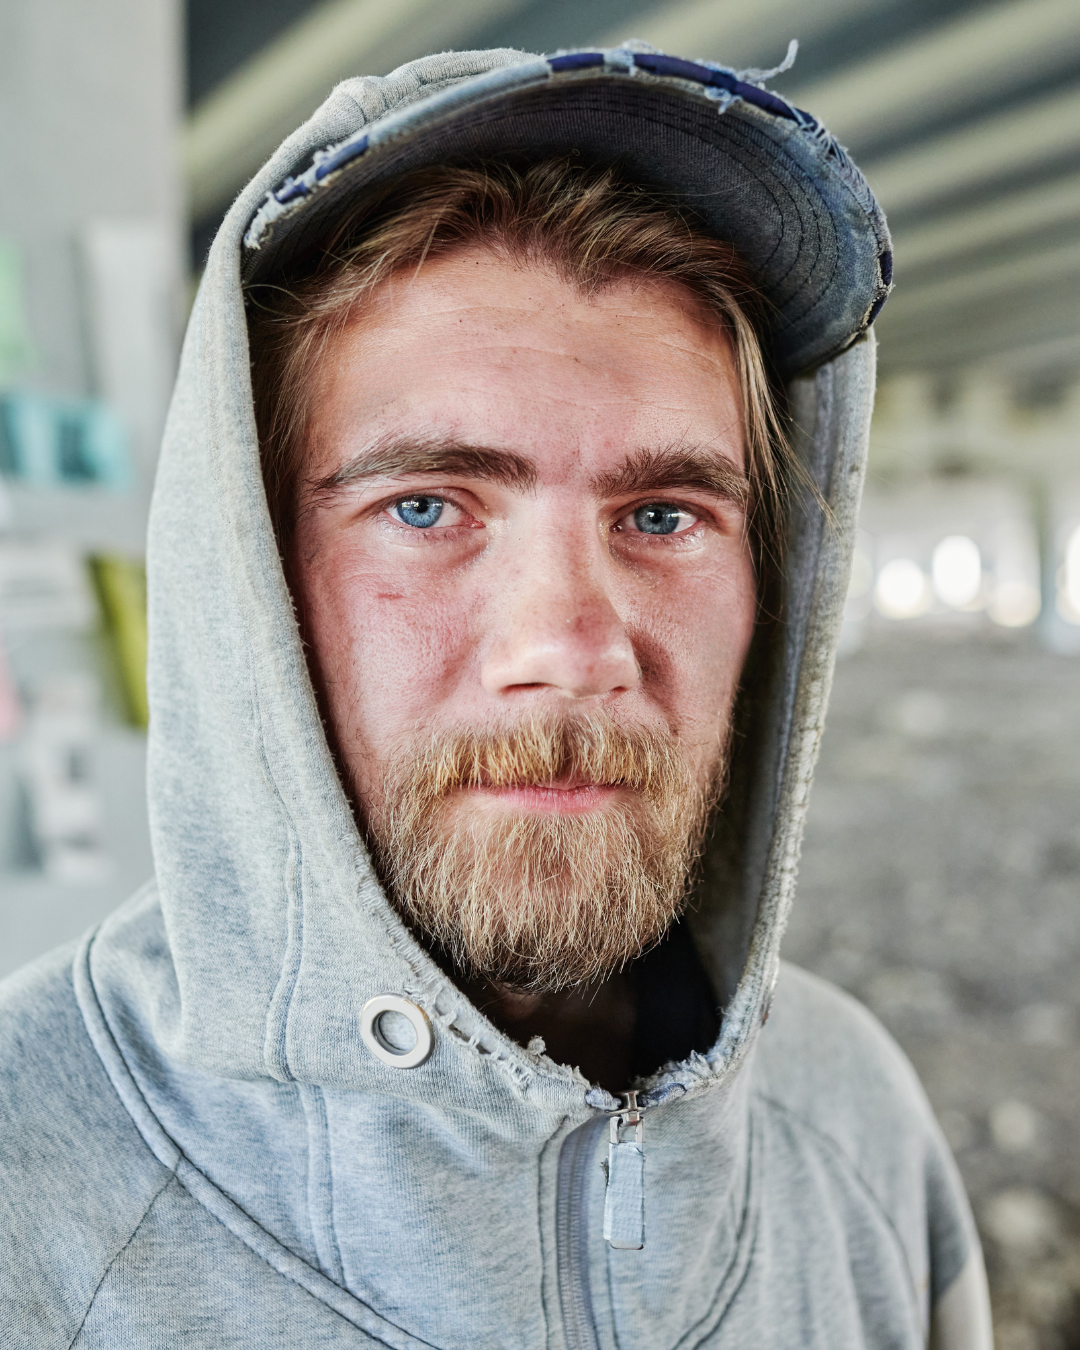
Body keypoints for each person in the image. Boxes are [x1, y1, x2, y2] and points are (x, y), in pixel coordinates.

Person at [0, 44, 992, 1347]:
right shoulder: (31, 1186)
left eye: (662, 512)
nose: (572, 646)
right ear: (248, 576)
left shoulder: (850, 1115)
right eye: (426, 506)